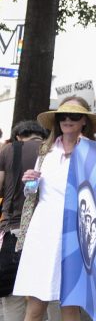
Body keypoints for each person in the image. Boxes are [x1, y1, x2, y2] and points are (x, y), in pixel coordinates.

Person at [14, 96, 96, 321]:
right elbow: (33, 193)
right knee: (35, 306)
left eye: (74, 115)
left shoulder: (95, 153)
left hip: (75, 235)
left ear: (85, 121)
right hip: (42, 232)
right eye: (62, 115)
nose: (67, 120)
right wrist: (30, 182)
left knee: (70, 306)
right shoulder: (45, 151)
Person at [0, 121, 48, 321]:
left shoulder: (9, 149)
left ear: (18, 136)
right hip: (47, 230)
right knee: (47, 292)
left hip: (15, 228)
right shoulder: (53, 151)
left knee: (12, 293)